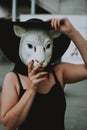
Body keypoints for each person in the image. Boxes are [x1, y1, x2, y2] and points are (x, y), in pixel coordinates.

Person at [0, 17, 87, 130]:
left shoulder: (59, 72)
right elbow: (9, 125)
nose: (40, 58)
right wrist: (31, 90)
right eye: (30, 46)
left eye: (47, 46)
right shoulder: (13, 79)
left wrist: (72, 32)